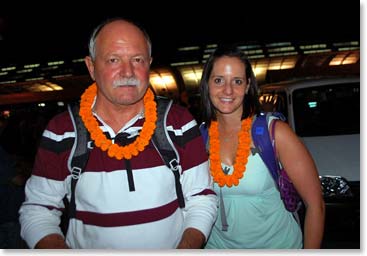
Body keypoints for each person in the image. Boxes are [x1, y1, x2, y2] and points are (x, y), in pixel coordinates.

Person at [19, 18, 217, 249]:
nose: (127, 71)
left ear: (149, 64)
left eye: (138, 60)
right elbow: (38, 209)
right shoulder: (62, 130)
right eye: (113, 60)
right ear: (91, 67)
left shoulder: (178, 122)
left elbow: (201, 198)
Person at [199, 45, 325, 249]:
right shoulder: (198, 137)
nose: (228, 90)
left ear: (248, 85)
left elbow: (315, 205)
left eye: (237, 81)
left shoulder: (275, 132)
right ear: (207, 84)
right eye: (218, 80)